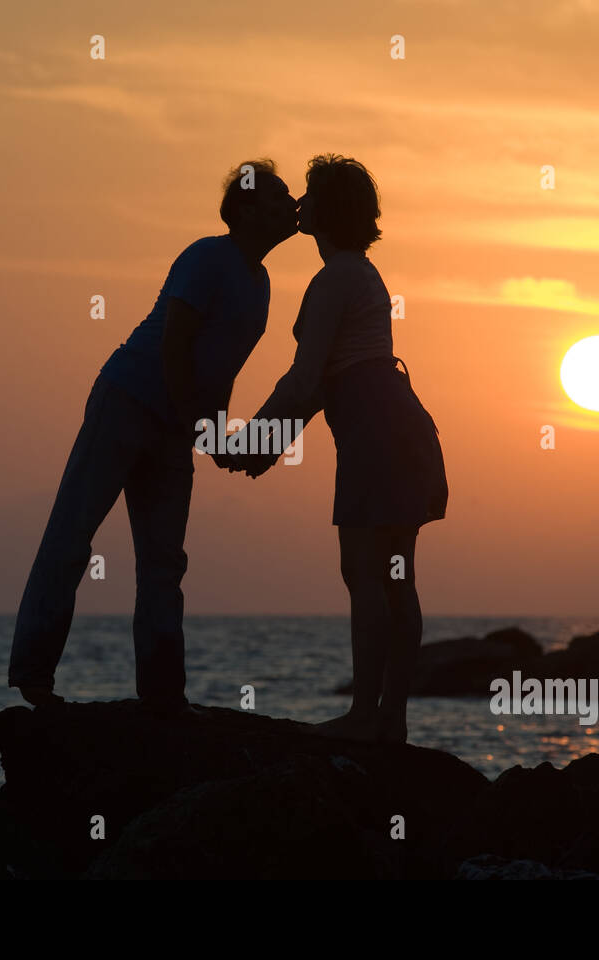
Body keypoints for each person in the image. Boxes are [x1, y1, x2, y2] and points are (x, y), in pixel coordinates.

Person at [9, 160, 298, 713]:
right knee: (72, 534)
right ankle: (33, 675)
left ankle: (163, 695)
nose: (293, 205)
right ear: (246, 209)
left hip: (174, 429)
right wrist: (202, 427)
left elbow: (221, 371)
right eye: (281, 196)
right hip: (126, 401)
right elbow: (174, 344)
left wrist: (213, 434)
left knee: (164, 562)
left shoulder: (261, 283)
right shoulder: (206, 256)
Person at [224, 154, 447, 743]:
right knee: (398, 579)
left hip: (375, 434)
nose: (299, 204)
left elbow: (306, 381)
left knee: (365, 574)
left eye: (309, 195)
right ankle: (388, 721)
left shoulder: (334, 280)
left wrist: (253, 443)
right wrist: (264, 445)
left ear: (328, 210)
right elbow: (323, 385)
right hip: (401, 428)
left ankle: (363, 717)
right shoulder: (364, 275)